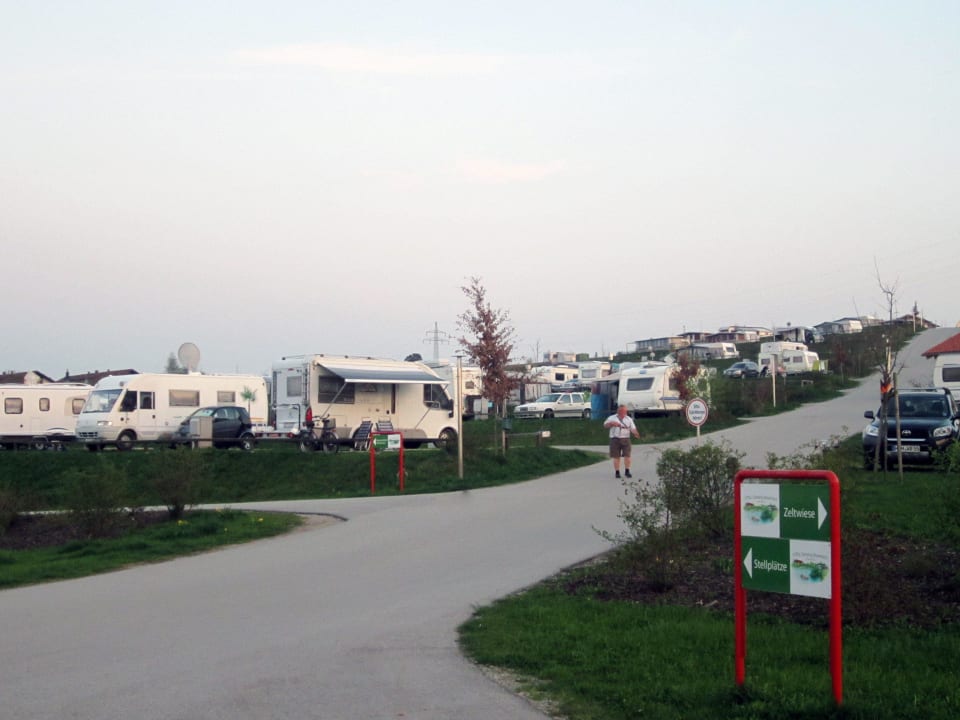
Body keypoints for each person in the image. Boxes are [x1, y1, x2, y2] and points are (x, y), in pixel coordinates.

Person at [603, 404, 640, 479]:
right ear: (618, 411)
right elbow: (605, 425)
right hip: (615, 439)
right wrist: (611, 424)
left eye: (625, 411)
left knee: (627, 455)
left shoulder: (629, 419)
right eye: (621, 411)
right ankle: (617, 472)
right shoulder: (612, 418)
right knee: (616, 456)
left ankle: (627, 471)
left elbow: (633, 428)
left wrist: (635, 433)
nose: (623, 412)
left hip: (626, 438)